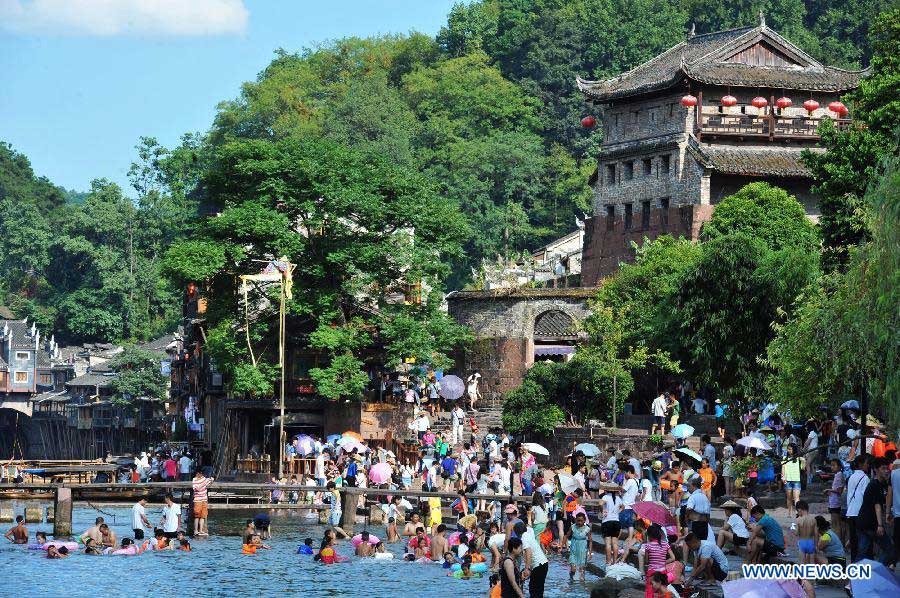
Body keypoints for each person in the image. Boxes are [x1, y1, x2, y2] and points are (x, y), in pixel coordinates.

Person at [856, 457, 892, 564]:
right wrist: (880, 525)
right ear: (876, 470)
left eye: (887, 468)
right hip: (870, 524)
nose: (886, 471)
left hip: (863, 523)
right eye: (883, 468)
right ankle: (877, 572)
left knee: (862, 552)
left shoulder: (882, 484)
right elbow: (877, 505)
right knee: (888, 549)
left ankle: (855, 575)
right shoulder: (874, 485)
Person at [845, 454, 870, 561]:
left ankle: (853, 564)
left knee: (854, 541)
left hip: (851, 512)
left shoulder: (851, 477)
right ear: (860, 464)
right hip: (860, 513)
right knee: (863, 542)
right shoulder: (865, 478)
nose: (868, 465)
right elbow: (866, 496)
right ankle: (859, 565)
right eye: (867, 463)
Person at [515, 521, 547, 598]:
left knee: (533, 589)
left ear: (517, 532)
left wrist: (526, 568)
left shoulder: (523, 538)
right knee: (539, 589)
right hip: (544, 563)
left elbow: (528, 552)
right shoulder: (528, 534)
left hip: (538, 565)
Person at [824, 458, 846, 546]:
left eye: (834, 465)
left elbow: (839, 491)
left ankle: (838, 543)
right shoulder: (838, 475)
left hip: (836, 503)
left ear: (839, 467)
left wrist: (828, 489)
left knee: (836, 524)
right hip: (834, 502)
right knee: (836, 524)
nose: (832, 467)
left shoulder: (839, 475)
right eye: (831, 465)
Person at [600, 486, 623, 564]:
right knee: (615, 543)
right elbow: (623, 506)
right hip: (616, 521)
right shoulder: (618, 498)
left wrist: (603, 510)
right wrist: (618, 512)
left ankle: (608, 561)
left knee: (608, 543)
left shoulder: (605, 496)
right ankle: (615, 562)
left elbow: (600, 503)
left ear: (607, 490)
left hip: (607, 521)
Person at [566, 512, 591, 581]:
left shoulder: (587, 529)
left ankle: (582, 585)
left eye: (581, 521)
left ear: (584, 520)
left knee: (582, 570)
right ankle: (571, 577)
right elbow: (566, 536)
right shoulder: (573, 527)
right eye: (578, 520)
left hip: (583, 550)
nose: (579, 522)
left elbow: (590, 541)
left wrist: (590, 552)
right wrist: (563, 546)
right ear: (575, 520)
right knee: (573, 569)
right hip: (574, 549)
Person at [781, 444, 804, 518]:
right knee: (789, 498)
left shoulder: (798, 458)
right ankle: (789, 513)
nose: (789, 450)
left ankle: (798, 512)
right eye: (788, 449)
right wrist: (783, 477)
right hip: (788, 480)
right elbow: (783, 468)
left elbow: (803, 468)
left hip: (796, 480)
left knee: (796, 497)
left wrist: (803, 461)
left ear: (794, 449)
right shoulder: (784, 458)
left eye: (790, 449)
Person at [192, 468, 214, 536]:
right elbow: (197, 488)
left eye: (201, 473)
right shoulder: (194, 480)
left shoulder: (204, 478)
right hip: (197, 499)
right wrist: (204, 483)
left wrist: (211, 481)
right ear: (197, 473)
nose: (201, 475)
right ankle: (196, 530)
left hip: (204, 499)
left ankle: (201, 530)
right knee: (197, 515)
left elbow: (208, 485)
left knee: (203, 516)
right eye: (200, 473)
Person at [795, 500, 817, 564]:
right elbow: (816, 534)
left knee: (802, 563)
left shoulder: (798, 520)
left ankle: (803, 573)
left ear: (799, 510)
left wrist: (793, 527)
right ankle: (812, 573)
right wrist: (816, 545)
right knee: (812, 563)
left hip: (802, 542)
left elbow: (796, 533)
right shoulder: (813, 519)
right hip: (811, 542)